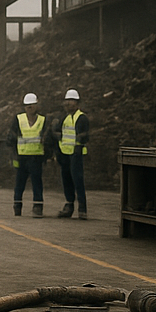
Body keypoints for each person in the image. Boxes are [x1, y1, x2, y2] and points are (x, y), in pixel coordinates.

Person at [7, 92, 47, 217]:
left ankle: (38, 207)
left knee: (37, 182)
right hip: (22, 157)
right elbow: (11, 138)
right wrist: (14, 154)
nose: (30, 108)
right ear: (24, 107)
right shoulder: (19, 119)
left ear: (36, 106)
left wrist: (47, 155)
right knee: (19, 183)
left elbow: (47, 138)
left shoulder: (42, 120)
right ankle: (17, 205)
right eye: (27, 105)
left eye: (32, 105)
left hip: (36, 157)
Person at [53, 88, 89, 220]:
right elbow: (58, 135)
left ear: (77, 103)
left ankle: (82, 208)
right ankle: (69, 205)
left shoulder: (82, 118)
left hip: (76, 154)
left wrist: (78, 147)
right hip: (65, 154)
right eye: (67, 101)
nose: (68, 103)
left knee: (77, 180)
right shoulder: (64, 118)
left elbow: (84, 135)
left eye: (71, 101)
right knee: (66, 180)